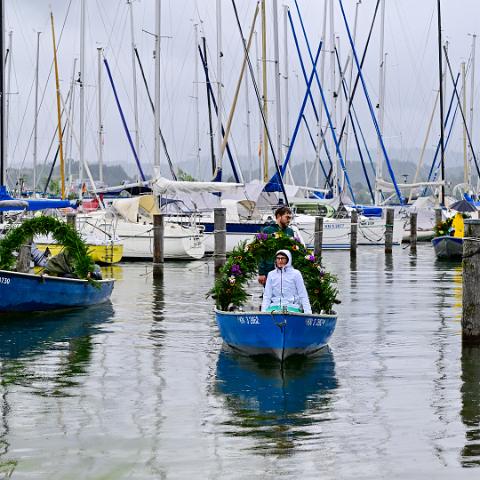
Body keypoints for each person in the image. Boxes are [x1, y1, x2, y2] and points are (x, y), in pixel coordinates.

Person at [261, 249, 312, 314]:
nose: (280, 261)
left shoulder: (296, 274)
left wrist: (308, 313)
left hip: (292, 308)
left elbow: (303, 294)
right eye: (278, 258)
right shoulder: (271, 274)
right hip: (274, 308)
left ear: (288, 259)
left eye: (282, 258)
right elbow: (267, 295)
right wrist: (263, 312)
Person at [257, 206, 296, 285]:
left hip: (285, 270)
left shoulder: (290, 231)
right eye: (287, 217)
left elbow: (293, 252)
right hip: (269, 269)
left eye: (290, 218)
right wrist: (261, 273)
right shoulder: (268, 230)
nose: (289, 220)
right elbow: (261, 252)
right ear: (278, 216)